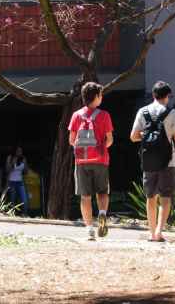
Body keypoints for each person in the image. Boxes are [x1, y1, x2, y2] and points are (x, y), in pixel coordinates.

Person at [130, 81, 175, 242]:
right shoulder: (172, 113)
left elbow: (133, 136)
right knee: (165, 197)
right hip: (168, 160)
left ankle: (151, 232)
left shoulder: (143, 111)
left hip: (148, 159)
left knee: (150, 196)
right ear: (167, 96)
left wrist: (148, 137)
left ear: (154, 95)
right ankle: (159, 232)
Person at [68, 82, 114, 240]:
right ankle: (102, 214)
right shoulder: (105, 115)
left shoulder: (76, 115)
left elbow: (71, 140)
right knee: (102, 192)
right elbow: (109, 140)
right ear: (96, 97)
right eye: (100, 95)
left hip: (82, 161)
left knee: (85, 196)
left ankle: (89, 229)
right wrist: (100, 146)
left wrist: (84, 148)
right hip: (101, 160)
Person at [6, 146, 29, 214]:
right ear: (15, 151)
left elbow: (26, 171)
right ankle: (12, 214)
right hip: (11, 181)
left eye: (21, 151)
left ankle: (24, 214)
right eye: (18, 151)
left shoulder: (23, 158)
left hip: (20, 181)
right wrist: (13, 163)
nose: (20, 153)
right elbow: (7, 170)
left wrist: (25, 164)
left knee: (25, 200)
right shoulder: (10, 158)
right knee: (12, 200)